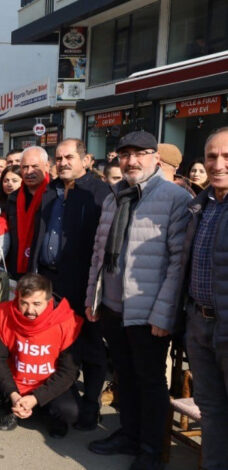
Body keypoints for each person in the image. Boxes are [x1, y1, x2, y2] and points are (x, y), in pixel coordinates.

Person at [84, 131, 190, 468]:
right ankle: (129, 435)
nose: (131, 161)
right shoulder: (115, 195)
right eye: (124, 154)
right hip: (114, 307)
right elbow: (100, 252)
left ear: (155, 158)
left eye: (139, 153)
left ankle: (150, 449)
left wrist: (164, 314)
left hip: (148, 312)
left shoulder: (175, 198)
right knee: (125, 377)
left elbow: (177, 263)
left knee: (150, 381)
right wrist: (93, 297)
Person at [29, 138, 111, 431]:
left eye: (69, 157)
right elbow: (40, 234)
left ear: (86, 159)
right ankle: (60, 400)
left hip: (84, 283)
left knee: (89, 345)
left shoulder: (100, 193)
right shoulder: (51, 190)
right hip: (50, 280)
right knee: (55, 344)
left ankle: (90, 404)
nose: (63, 162)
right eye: (58, 158)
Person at [0, 274, 82, 438]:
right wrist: (13, 394)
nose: (30, 310)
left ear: (49, 301)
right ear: (17, 298)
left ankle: (44, 413)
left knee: (69, 411)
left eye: (37, 304)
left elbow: (69, 372)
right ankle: (14, 408)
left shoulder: (66, 322)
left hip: (46, 383)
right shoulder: (4, 315)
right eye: (24, 303)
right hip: (15, 381)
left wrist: (36, 398)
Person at [181, 127, 228, 470]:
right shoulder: (202, 204)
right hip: (198, 321)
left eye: (226, 156)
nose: (217, 164)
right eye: (211, 156)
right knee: (210, 408)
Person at [6, 146, 50, 280]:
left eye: (35, 166)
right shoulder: (12, 198)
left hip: (45, 271)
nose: (29, 172)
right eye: (25, 167)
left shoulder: (56, 196)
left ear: (47, 166)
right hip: (16, 268)